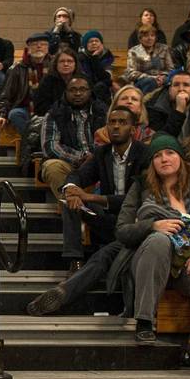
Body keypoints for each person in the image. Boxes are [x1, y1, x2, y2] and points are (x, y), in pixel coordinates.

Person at [111, 134, 190, 342]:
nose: (164, 159)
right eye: (157, 155)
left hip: (185, 261)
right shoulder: (140, 187)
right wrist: (152, 226)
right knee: (160, 240)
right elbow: (122, 230)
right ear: (152, 163)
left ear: (180, 158)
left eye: (170, 153)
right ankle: (145, 321)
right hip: (149, 261)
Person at [56, 107, 151, 275]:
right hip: (108, 217)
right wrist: (71, 190)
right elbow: (78, 175)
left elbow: (138, 200)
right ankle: (75, 259)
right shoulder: (102, 152)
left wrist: (90, 197)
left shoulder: (145, 154)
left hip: (134, 220)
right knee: (68, 200)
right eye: (112, 122)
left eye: (122, 122)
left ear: (133, 130)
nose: (116, 126)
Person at [36, 75, 105, 202]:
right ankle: (72, 207)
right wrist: (81, 157)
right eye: (72, 90)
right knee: (52, 166)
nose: (78, 93)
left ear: (90, 92)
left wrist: (94, 158)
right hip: (71, 164)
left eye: (83, 89)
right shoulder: (54, 113)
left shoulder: (103, 112)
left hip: (100, 164)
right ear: (66, 92)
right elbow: (50, 147)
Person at [0, 32, 50, 135]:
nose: (39, 46)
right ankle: (31, 139)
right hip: (26, 109)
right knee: (15, 114)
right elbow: (6, 94)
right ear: (28, 49)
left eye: (43, 44)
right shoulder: (17, 68)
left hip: (49, 109)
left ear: (48, 48)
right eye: (34, 44)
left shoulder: (54, 67)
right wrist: (2, 115)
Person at [145, 70, 190, 140]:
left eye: (186, 85)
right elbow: (163, 140)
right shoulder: (155, 108)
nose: (181, 89)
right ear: (170, 90)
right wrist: (179, 110)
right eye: (176, 85)